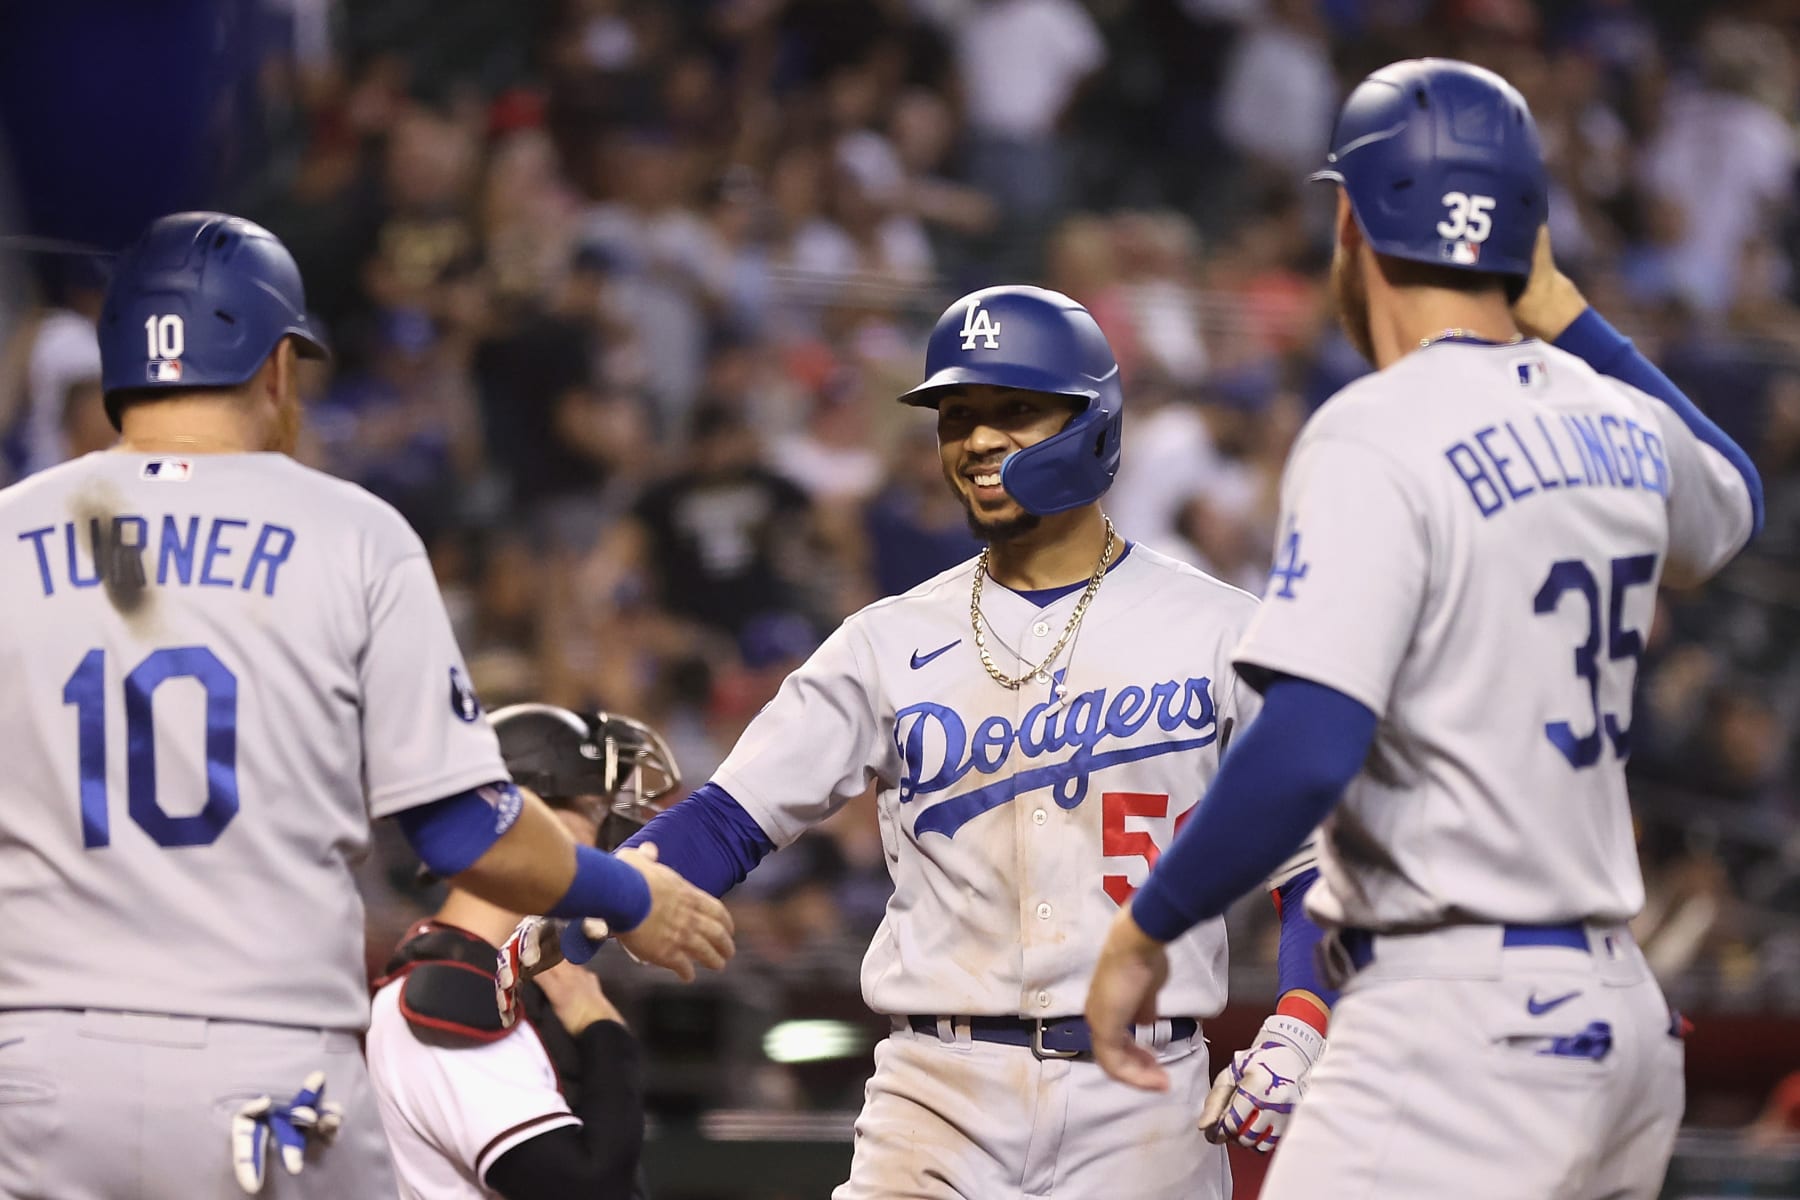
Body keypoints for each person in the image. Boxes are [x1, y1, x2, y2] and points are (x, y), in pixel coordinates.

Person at [1084, 59, 1763, 1200]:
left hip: (1459, 1026)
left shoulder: (1376, 428)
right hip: (1621, 1019)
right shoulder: (1620, 420)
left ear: (1351, 218)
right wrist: (1578, 322)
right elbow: (1734, 498)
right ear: (1527, 237)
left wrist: (1146, 928)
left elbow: (1305, 748)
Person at [0, 212, 733, 1200]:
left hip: (41, 1069)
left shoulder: (10, 533)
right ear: (275, 369)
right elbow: (467, 829)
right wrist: (632, 894)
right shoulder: (348, 531)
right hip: (261, 1067)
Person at [547, 285, 1338, 1198]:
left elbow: (1312, 863)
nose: (978, 441)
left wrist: (1303, 1017)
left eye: (1015, 411)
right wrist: (578, 901)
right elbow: (728, 820)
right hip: (939, 1091)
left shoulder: (1222, 631)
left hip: (1146, 1099)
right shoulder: (886, 640)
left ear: (1095, 421)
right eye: (957, 417)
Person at [369, 704, 681, 1200]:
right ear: (524, 819)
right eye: (595, 809)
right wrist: (602, 1030)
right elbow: (589, 1189)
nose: (611, 830)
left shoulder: (511, 979)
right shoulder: (443, 989)